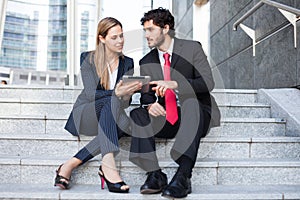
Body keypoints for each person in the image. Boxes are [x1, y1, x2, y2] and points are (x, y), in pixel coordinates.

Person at [129, 8, 221, 198]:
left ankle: (183, 176)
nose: (146, 35)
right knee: (137, 114)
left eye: (150, 30)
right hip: (168, 118)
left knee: (191, 104)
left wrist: (176, 84)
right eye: (144, 30)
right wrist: (149, 105)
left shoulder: (192, 48)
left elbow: (207, 83)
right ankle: (154, 174)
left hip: (196, 114)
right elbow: (146, 95)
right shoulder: (147, 60)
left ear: (165, 29)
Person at [54, 17, 142, 193]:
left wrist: (128, 93)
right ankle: (108, 165)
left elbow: (125, 103)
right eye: (114, 37)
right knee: (111, 103)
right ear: (102, 38)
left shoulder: (128, 62)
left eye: (122, 36)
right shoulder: (88, 58)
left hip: (110, 114)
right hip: (86, 113)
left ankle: (71, 163)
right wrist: (116, 93)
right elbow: (90, 93)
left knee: (125, 123)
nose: (120, 41)